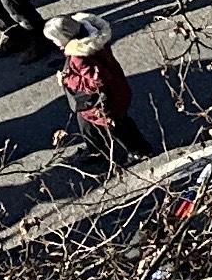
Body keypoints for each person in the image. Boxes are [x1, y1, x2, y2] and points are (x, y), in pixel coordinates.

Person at [50, 13, 147, 168]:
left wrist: (68, 79)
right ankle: (96, 150)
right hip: (108, 93)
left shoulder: (79, 57)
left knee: (118, 126)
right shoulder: (91, 39)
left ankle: (139, 150)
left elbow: (96, 82)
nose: (54, 43)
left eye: (55, 39)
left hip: (105, 101)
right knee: (87, 123)